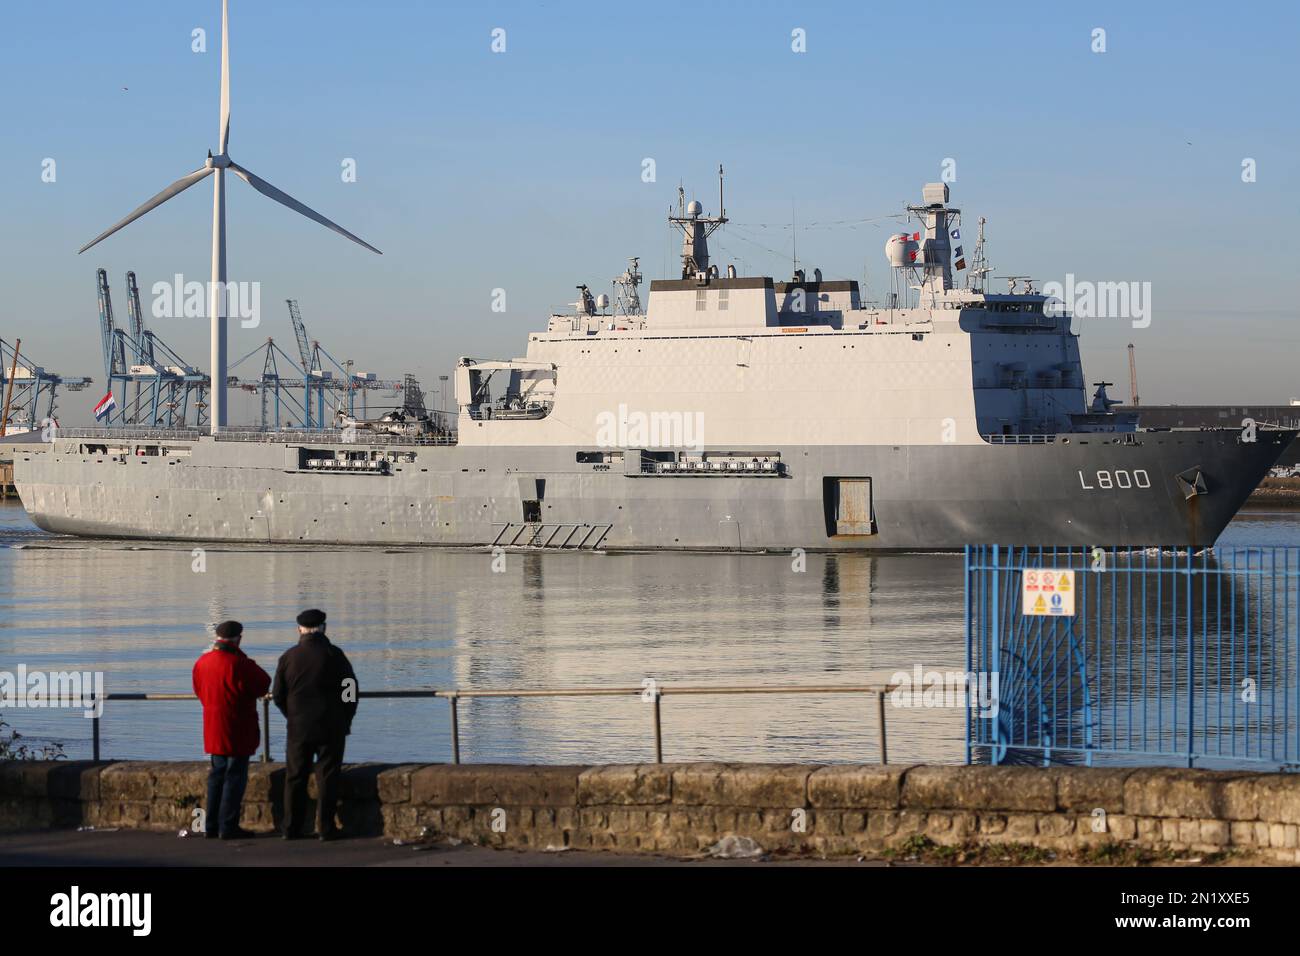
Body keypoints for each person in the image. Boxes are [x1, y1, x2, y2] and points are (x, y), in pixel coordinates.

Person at [273, 609, 358, 840]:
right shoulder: (335, 655)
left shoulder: (288, 657)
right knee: (328, 776)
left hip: (299, 728)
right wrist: (346, 717)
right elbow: (350, 689)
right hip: (331, 726)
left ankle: (291, 827)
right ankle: (326, 828)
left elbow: (278, 695)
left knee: (295, 777)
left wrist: (291, 716)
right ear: (324, 628)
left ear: (299, 629)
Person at [191, 620, 271, 840]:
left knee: (216, 775)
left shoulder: (202, 662)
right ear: (239, 639)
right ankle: (228, 825)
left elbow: (198, 690)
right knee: (235, 776)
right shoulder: (240, 664)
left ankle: (211, 825)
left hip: (213, 726)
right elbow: (263, 683)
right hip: (238, 727)